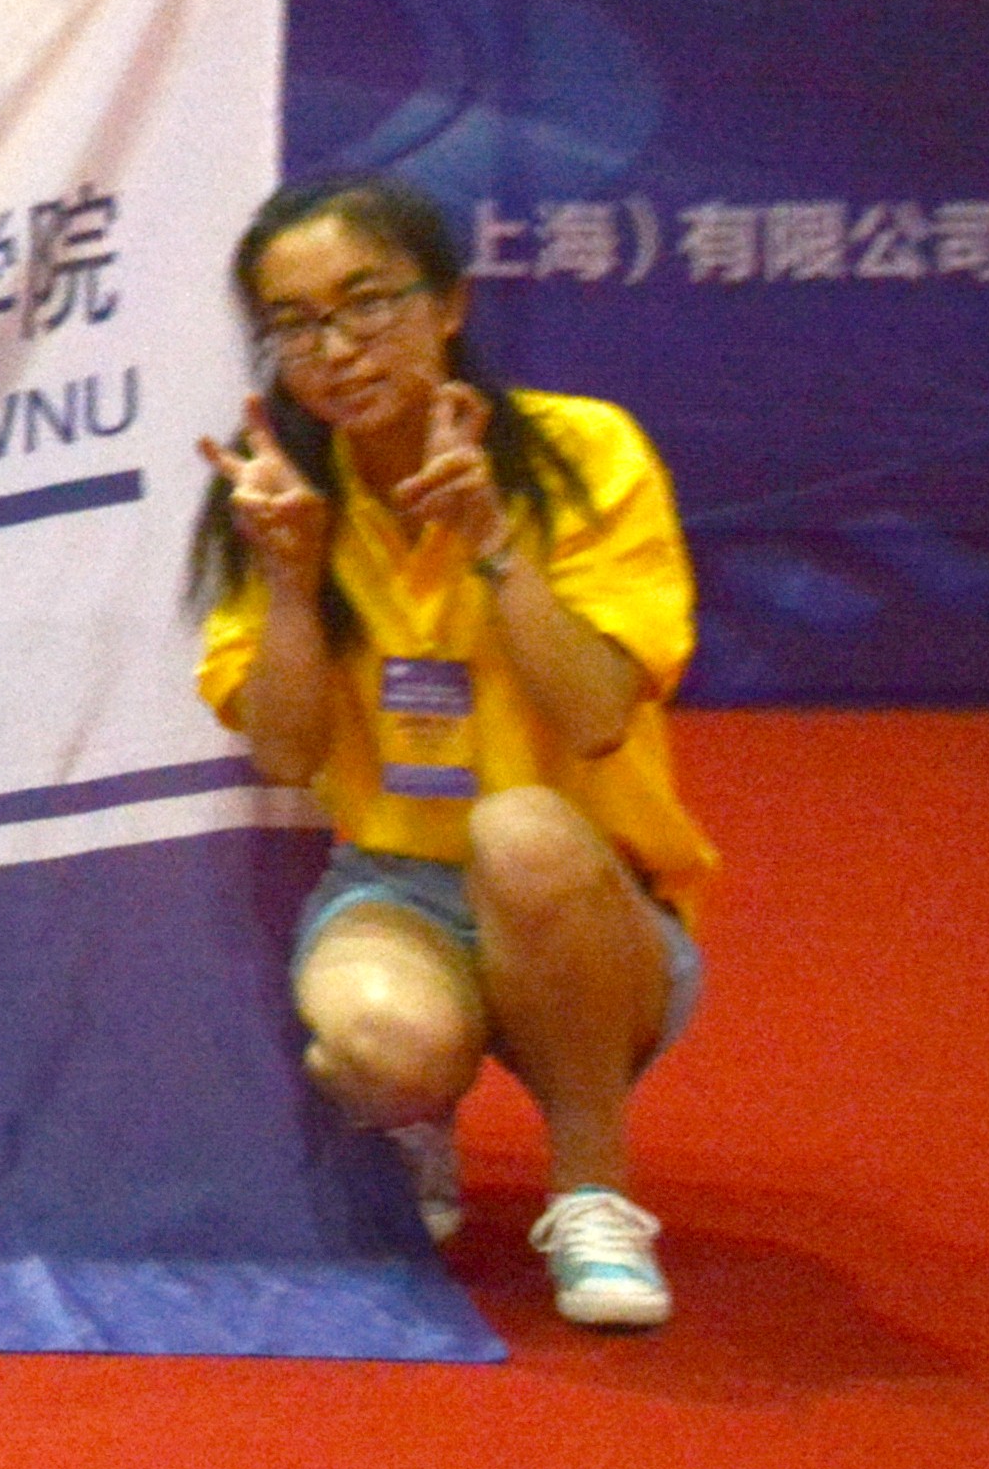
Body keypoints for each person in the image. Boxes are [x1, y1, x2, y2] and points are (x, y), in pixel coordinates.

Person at [192, 173, 716, 1328]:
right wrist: (289, 579)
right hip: (396, 887)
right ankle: (414, 1123)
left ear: (448, 305)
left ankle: (592, 1191)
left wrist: (489, 540)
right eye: (295, 323)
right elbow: (283, 752)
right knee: (373, 1042)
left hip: (590, 898)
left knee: (519, 831)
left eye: (366, 302)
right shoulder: (279, 492)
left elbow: (594, 713)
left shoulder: (582, 451)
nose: (336, 347)